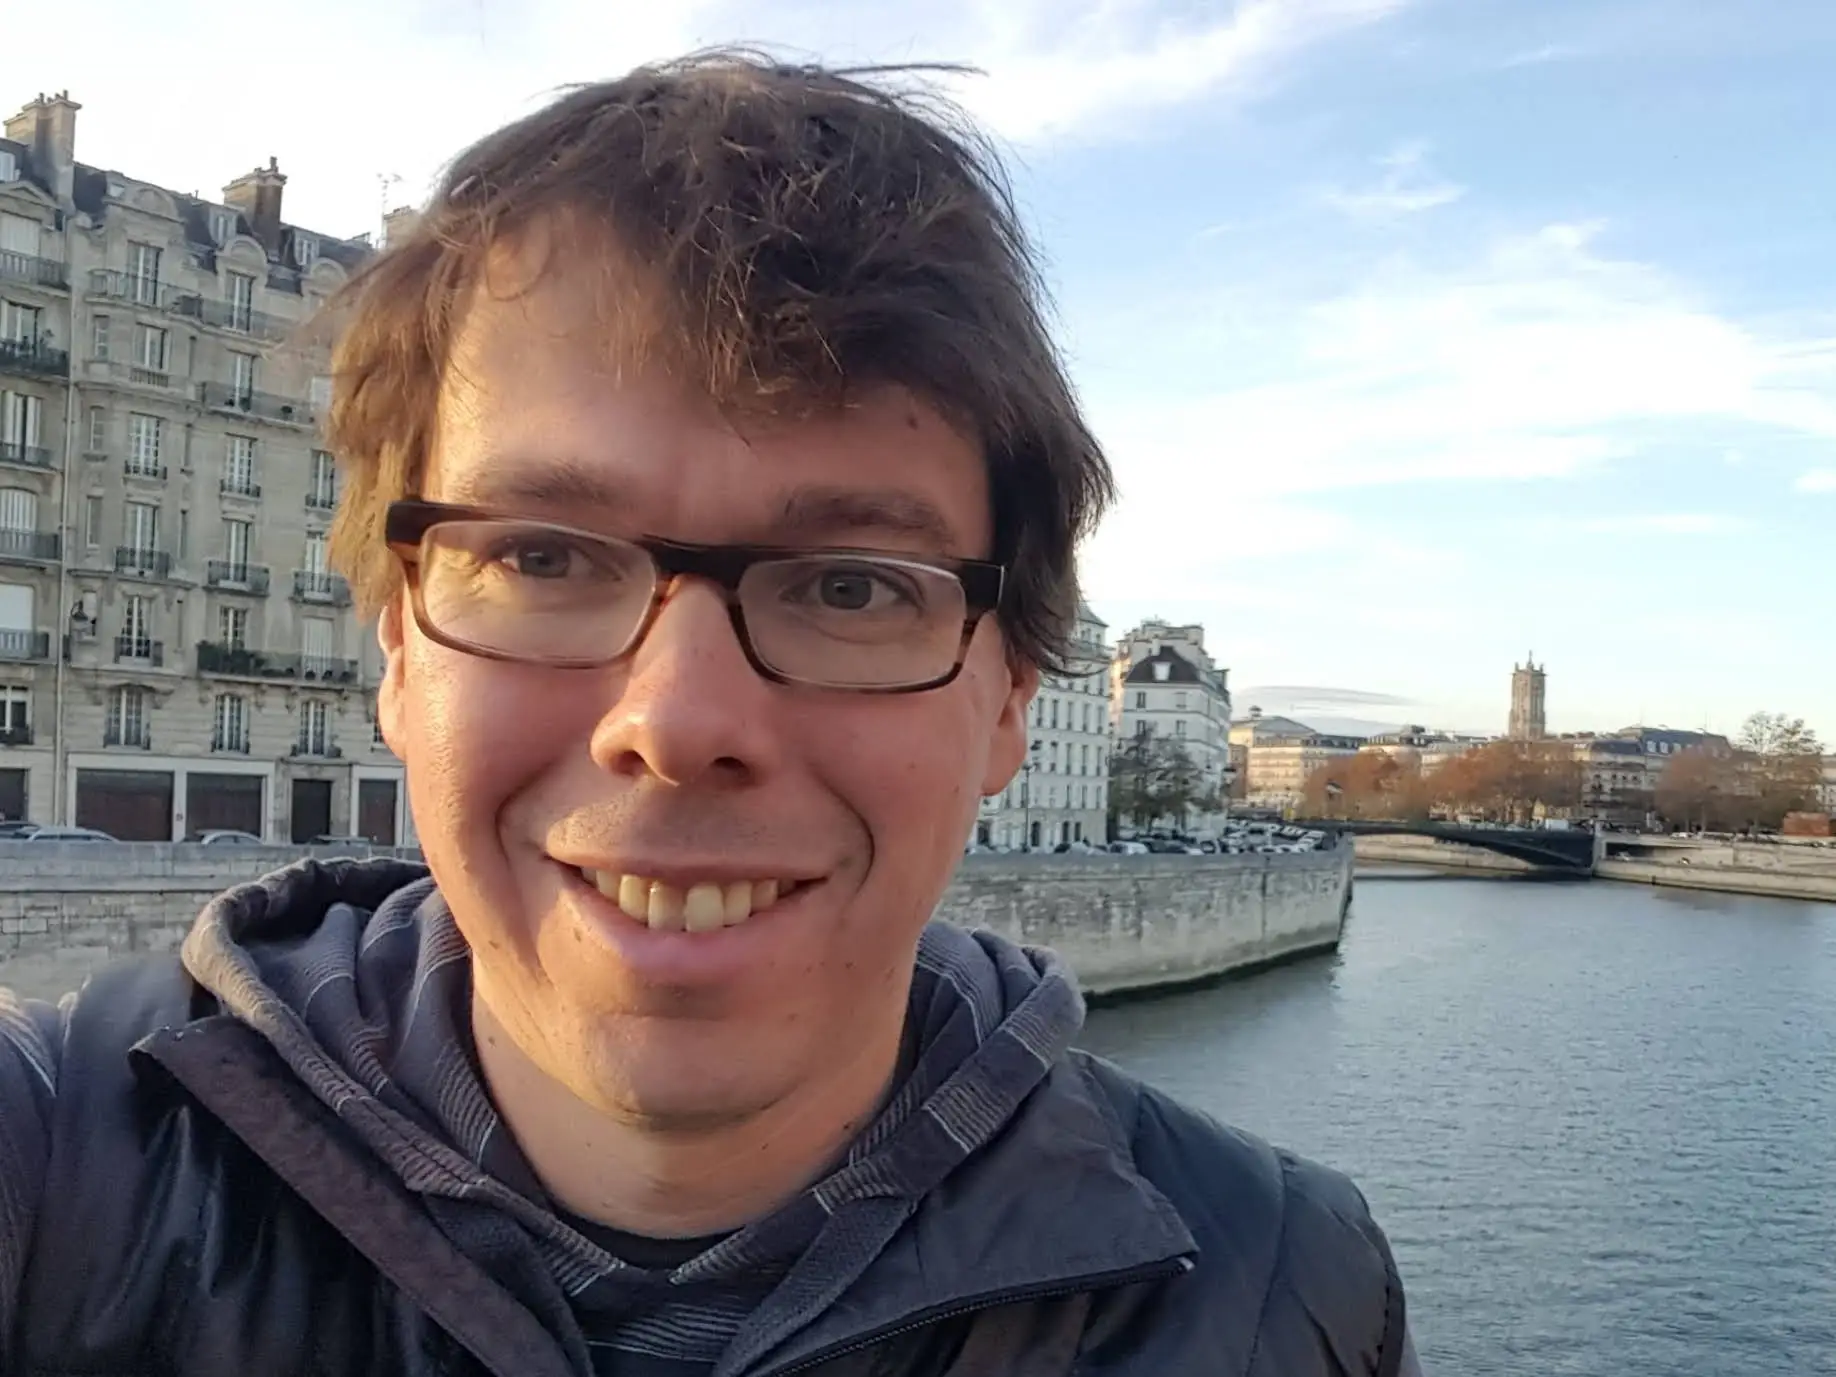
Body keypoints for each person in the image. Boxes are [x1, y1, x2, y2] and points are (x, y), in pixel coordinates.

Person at [0, 55, 1421, 1376]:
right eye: (542, 558)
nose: (676, 722)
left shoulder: (1293, 1295)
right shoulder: (41, 1163)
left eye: (853, 587)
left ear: (1011, 698)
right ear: (400, 653)